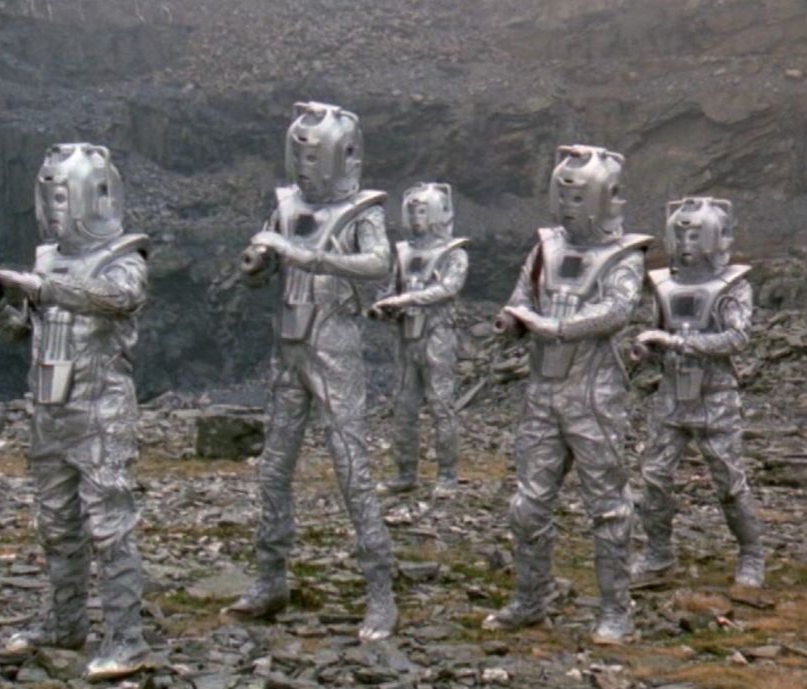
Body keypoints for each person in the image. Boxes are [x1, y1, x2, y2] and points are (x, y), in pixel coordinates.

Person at [0, 143, 151, 681]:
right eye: (49, 197)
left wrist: (41, 287)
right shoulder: (47, 259)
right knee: (56, 524)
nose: (55, 210)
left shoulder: (125, 256)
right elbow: (28, 331)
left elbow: (119, 299)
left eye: (63, 197)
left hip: (100, 412)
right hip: (50, 411)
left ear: (94, 197)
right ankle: (65, 622)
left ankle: (127, 638)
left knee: (111, 527)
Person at [228, 102, 398, 641]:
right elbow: (263, 257)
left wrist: (306, 256)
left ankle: (380, 592)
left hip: (334, 348)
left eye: (312, 155)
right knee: (274, 470)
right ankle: (270, 578)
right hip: (289, 350)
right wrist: (259, 263)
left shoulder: (362, 211)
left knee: (351, 467)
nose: (304, 166)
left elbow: (380, 264)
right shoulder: (286, 205)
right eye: (298, 155)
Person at [488, 145, 651, 644]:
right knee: (528, 505)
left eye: (578, 196)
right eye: (563, 194)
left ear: (605, 198)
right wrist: (513, 319)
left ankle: (616, 611)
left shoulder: (624, 256)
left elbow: (618, 310)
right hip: (542, 393)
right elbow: (523, 296)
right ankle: (530, 600)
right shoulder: (545, 248)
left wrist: (558, 327)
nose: (567, 205)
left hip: (594, 397)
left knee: (608, 507)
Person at [632, 196, 764, 587]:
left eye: (695, 235)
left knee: (729, 481)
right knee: (654, 477)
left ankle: (752, 555)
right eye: (681, 235)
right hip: (672, 397)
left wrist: (678, 343)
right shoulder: (664, 286)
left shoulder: (734, 287)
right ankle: (658, 555)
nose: (687, 244)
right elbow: (660, 332)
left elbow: (737, 338)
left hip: (716, 398)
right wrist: (649, 349)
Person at [373, 182, 469, 497]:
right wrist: (384, 306)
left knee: (441, 405)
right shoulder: (403, 252)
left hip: (437, 334)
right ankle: (405, 473)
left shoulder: (454, 252)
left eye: (423, 211)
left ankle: (448, 475)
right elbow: (392, 288)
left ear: (438, 213)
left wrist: (405, 299)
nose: (417, 218)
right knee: (404, 406)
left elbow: (448, 289)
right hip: (406, 336)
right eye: (413, 212)